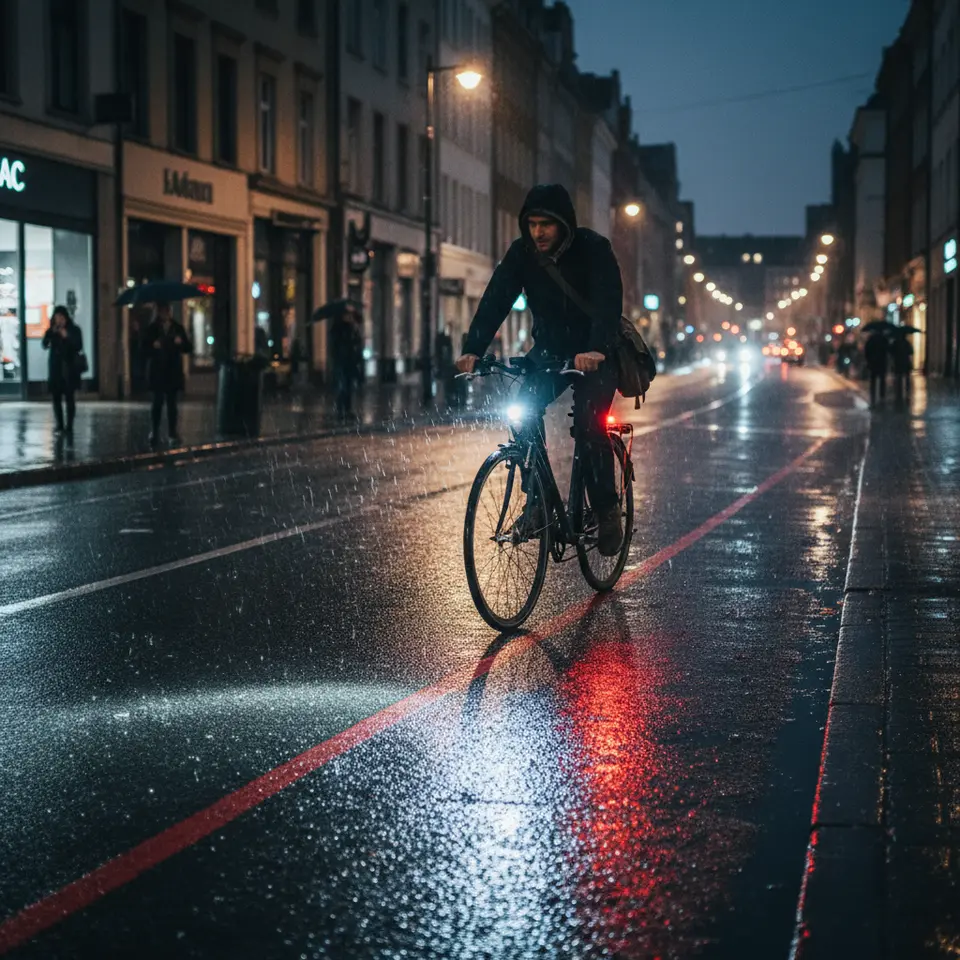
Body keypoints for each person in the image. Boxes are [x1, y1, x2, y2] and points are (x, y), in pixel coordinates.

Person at [456, 183, 625, 555]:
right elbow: (496, 298)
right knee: (523, 411)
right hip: (550, 351)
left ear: (564, 224)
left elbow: (608, 302)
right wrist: (473, 349)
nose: (538, 232)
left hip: (597, 353)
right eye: (531, 224)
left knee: (589, 424)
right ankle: (537, 505)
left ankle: (606, 508)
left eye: (546, 224)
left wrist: (596, 347)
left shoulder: (594, 249)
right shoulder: (523, 254)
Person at [145, 301, 192, 446]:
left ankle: (172, 432)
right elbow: (143, 348)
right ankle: (155, 431)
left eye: (168, 310)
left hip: (172, 370)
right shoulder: (152, 328)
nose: (166, 313)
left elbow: (188, 347)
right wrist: (153, 346)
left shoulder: (177, 328)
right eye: (163, 310)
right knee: (157, 403)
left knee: (172, 403)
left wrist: (180, 342)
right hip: (158, 369)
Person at [42, 305, 83, 439]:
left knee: (69, 398)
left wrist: (67, 337)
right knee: (56, 398)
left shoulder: (74, 330)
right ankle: (60, 424)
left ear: (66, 318)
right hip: (56, 369)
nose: (59, 320)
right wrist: (51, 333)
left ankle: (69, 425)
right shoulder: (52, 330)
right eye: (56, 317)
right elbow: (44, 344)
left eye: (61, 317)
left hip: (69, 368)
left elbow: (78, 346)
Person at [330, 302, 363, 417]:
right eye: (347, 315)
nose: (349, 317)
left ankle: (348, 409)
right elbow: (335, 345)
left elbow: (357, 342)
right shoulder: (338, 328)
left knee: (349, 387)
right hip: (341, 361)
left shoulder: (353, 328)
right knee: (342, 386)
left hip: (351, 362)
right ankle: (340, 410)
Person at [863, 329, 889, 407]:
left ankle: (873, 397)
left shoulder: (870, 340)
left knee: (873, 381)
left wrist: (868, 360)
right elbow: (887, 350)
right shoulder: (884, 339)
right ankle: (882, 396)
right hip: (882, 362)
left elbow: (866, 351)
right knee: (882, 380)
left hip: (873, 363)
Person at [892, 331, 914, 402]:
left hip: (898, 362)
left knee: (898, 376)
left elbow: (891, 351)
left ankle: (898, 391)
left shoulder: (895, 343)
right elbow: (911, 352)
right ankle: (907, 391)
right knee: (907, 377)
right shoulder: (907, 343)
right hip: (905, 362)